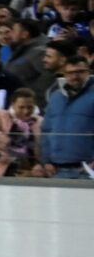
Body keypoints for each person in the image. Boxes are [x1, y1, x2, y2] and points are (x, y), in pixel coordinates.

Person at [42, 45, 93, 177]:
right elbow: (46, 130)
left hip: (87, 170)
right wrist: (46, 160)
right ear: (64, 74)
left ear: (89, 72)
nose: (75, 76)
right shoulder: (55, 97)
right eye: (70, 72)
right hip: (56, 170)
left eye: (80, 71)